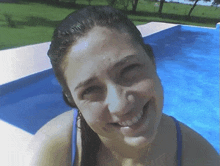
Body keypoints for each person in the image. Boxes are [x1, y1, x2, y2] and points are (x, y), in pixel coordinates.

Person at [28, 6, 219, 166]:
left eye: (129, 70)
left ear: (152, 61)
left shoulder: (200, 158)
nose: (121, 105)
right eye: (91, 90)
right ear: (72, 100)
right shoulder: (54, 149)